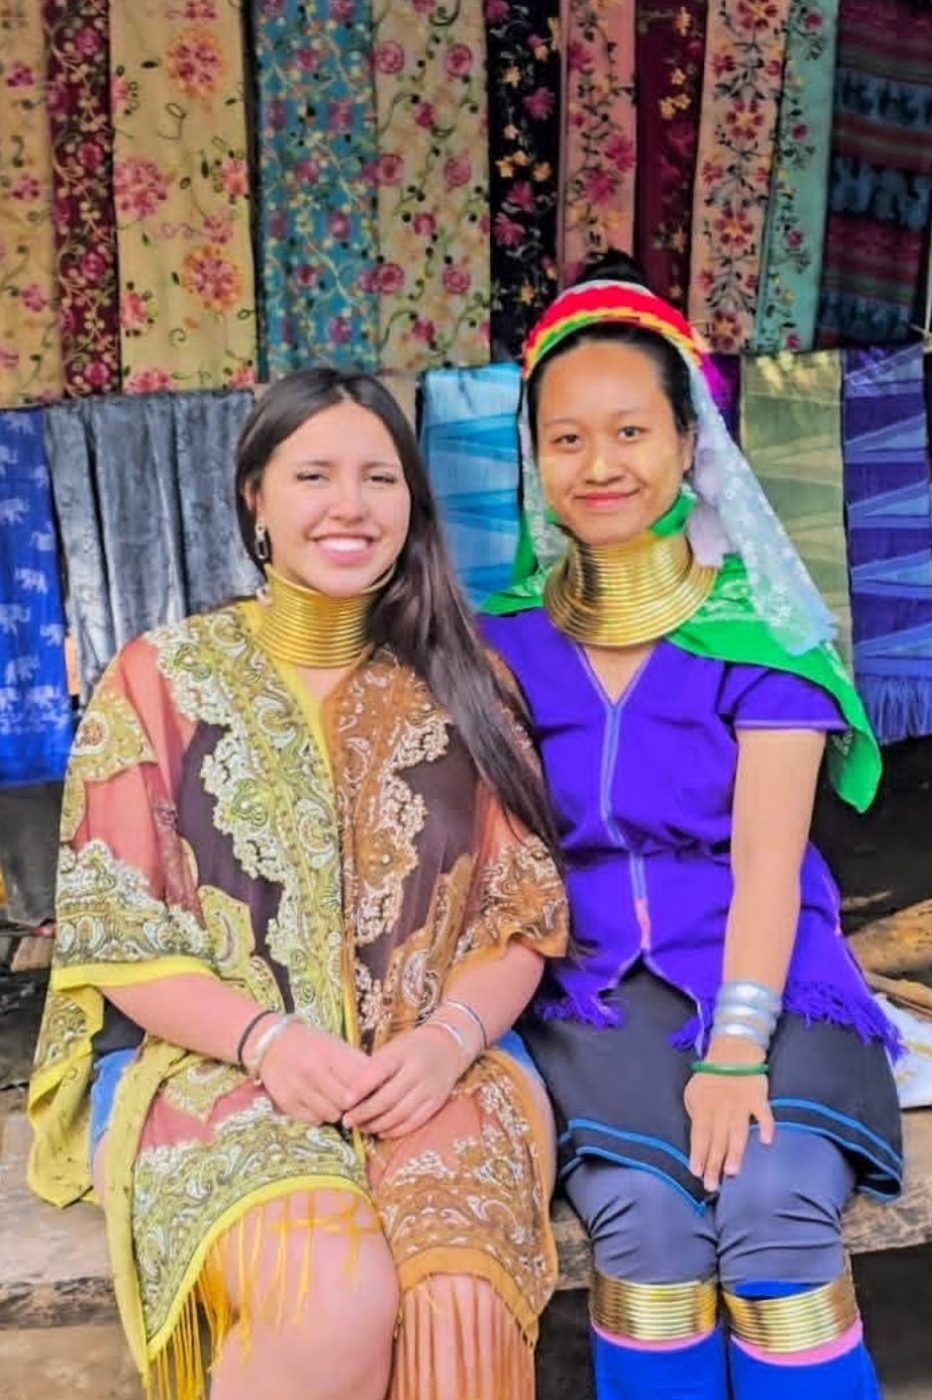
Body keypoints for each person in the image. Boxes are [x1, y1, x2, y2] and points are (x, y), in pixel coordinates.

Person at [28, 368, 569, 1400]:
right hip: (211, 1059)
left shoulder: (468, 679)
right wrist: (269, 1041)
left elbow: (522, 913)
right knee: (329, 1294)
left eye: (378, 476)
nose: (349, 504)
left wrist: (445, 1039)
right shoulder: (158, 677)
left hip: (441, 1057)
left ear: (411, 504)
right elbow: (119, 935)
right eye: (313, 473)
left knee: (457, 1299)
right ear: (255, 499)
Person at [480, 258, 903, 1400]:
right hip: (587, 996)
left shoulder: (761, 629)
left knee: (773, 1216)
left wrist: (734, 1047)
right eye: (565, 438)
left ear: (687, 443)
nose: (599, 463)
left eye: (630, 429)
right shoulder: (499, 646)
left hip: (770, 977)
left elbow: (770, 862)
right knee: (651, 1225)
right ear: (533, 458)